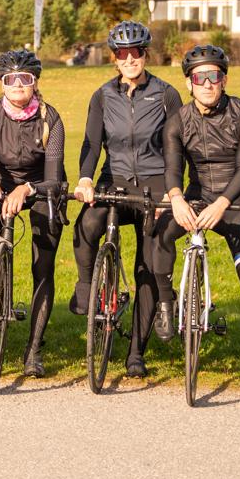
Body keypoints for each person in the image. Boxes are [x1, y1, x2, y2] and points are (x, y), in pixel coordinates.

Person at [161, 45, 240, 397]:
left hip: (237, 201)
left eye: (214, 76)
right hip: (196, 197)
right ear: (189, 83)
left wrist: (224, 203)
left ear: (224, 80)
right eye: (201, 77)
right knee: (158, 238)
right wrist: (177, 198)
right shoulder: (178, 120)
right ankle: (167, 304)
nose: (208, 83)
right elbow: (172, 167)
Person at [71, 20, 183, 379]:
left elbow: (175, 147)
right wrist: (86, 178)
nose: (130, 58)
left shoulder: (166, 94)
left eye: (136, 52)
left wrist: (172, 188)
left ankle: (137, 352)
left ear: (145, 54)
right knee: (88, 223)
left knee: (146, 266)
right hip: (114, 181)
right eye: (122, 53)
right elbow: (91, 143)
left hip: (154, 186)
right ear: (114, 58)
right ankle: (87, 287)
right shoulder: (103, 95)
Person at [0, 49, 66, 378]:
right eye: (11, 79)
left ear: (35, 83)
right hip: (1, 187)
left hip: (42, 189)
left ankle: (34, 349)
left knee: (42, 266)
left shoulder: (51, 119)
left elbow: (54, 176)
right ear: (1, 84)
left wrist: (29, 189)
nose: (18, 84)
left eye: (26, 79)